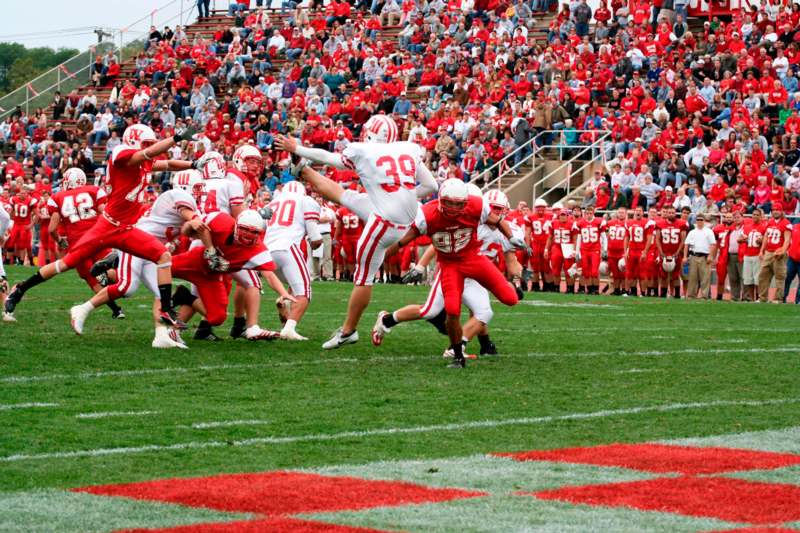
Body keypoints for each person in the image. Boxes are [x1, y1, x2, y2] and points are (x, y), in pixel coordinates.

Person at [3, 123, 197, 325]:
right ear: (133, 140)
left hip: (125, 229)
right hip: (107, 226)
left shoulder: (142, 163)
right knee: (64, 264)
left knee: (163, 256)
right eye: (145, 142)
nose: (148, 146)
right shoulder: (122, 153)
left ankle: (165, 309)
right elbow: (146, 154)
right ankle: (21, 289)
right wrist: (175, 138)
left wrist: (193, 165)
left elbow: (167, 165)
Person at [274, 114, 437, 349]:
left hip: (385, 221)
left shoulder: (365, 150)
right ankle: (303, 170)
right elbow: (432, 186)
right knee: (347, 197)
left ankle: (348, 331)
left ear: (371, 133)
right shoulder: (409, 149)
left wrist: (296, 147)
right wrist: (404, 196)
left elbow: (330, 158)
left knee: (363, 276)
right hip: (399, 214)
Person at [384, 180, 522, 368]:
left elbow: (502, 234)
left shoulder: (478, 210)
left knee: (506, 300)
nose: (454, 208)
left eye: (459, 204)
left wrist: (516, 279)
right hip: (450, 265)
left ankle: (484, 344)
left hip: (474, 261)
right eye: (450, 203)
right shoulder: (428, 215)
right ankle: (458, 353)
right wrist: (417, 265)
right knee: (450, 311)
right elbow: (411, 241)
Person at [68, 170, 212, 348]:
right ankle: (82, 309)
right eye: (197, 187)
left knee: (162, 291)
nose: (200, 192)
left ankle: (161, 336)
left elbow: (186, 229)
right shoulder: (178, 196)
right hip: (136, 243)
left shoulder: (185, 204)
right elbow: (188, 217)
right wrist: (197, 221)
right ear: (185, 186)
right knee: (127, 287)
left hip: (153, 251)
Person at [46, 167, 124, 319]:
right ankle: (111, 282)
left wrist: (59, 240)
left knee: (92, 279)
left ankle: (117, 310)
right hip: (97, 238)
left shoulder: (58, 197)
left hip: (77, 244)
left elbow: (52, 229)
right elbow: (105, 213)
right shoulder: (94, 190)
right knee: (113, 271)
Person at [264, 180, 322, 340]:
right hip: (288, 247)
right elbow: (316, 238)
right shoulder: (306, 200)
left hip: (267, 252)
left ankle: (286, 304)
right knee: (305, 290)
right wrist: (316, 241)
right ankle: (289, 329)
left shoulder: (273, 203)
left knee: (294, 283)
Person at [758, 202, 792, 303]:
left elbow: (787, 239)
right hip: (768, 252)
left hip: (779, 252)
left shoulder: (786, 223)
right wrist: (761, 251)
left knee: (779, 277)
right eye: (774, 210)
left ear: (781, 211)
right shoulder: (770, 222)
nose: (775, 212)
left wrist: (783, 250)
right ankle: (762, 298)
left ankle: (778, 298)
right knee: (763, 275)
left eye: (777, 210)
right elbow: (766, 237)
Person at [653, 205, 688, 298]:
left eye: (673, 212)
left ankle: (677, 294)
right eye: (669, 212)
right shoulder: (660, 224)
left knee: (676, 275)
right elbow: (657, 239)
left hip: (675, 253)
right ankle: (663, 293)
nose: (671, 214)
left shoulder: (681, 224)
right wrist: (661, 253)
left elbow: (683, 240)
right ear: (666, 213)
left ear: (675, 213)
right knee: (663, 275)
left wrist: (677, 253)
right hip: (664, 253)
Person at [683, 214, 717, 299]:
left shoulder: (709, 231)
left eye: (701, 220)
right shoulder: (692, 232)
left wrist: (710, 255)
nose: (699, 221)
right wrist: (685, 256)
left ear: (704, 221)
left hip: (704, 257)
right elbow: (686, 244)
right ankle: (691, 295)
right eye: (698, 220)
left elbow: (713, 244)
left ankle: (704, 296)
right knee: (692, 277)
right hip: (693, 256)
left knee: (705, 278)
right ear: (695, 221)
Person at [575, 206, 606, 295]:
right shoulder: (580, 223)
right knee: (586, 271)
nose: (589, 215)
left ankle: (595, 289)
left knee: (594, 271)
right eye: (587, 213)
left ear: (593, 213)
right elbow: (579, 238)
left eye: (590, 213)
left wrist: (604, 249)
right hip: (584, 250)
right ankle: (589, 288)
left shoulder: (598, 222)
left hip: (595, 249)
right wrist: (577, 252)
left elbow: (604, 237)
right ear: (584, 214)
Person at [740, 209, 766, 302]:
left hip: (757, 255)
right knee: (748, 279)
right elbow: (739, 239)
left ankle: (759, 298)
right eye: (754, 214)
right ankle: (751, 298)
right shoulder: (747, 227)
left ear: (761, 216)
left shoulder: (764, 227)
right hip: (747, 254)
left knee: (757, 279)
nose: (755, 216)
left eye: (757, 215)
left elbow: (766, 241)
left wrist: (761, 241)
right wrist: (743, 240)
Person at [783, 222, 800, 304]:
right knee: (786, 278)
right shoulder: (794, 227)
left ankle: (798, 300)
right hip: (792, 259)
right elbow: (788, 239)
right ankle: (783, 297)